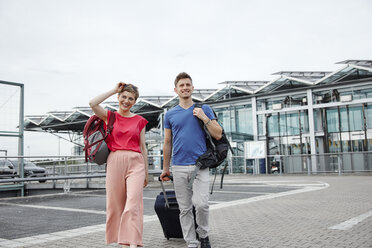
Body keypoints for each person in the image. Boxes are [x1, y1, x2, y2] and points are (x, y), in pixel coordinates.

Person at [160, 72, 222, 248]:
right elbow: (167, 142)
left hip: (200, 165)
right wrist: (166, 168)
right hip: (178, 166)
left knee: (202, 204)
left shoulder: (204, 109)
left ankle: (203, 234)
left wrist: (203, 117)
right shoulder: (170, 114)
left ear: (192, 88)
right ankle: (191, 242)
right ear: (176, 90)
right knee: (185, 208)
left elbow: (218, 134)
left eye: (188, 85)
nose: (185, 88)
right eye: (182, 85)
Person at [89, 82, 149, 248]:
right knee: (116, 205)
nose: (126, 101)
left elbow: (143, 147)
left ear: (135, 102)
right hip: (115, 161)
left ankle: (134, 242)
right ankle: (124, 242)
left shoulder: (140, 121)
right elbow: (92, 103)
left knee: (133, 204)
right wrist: (114, 90)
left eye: (131, 98)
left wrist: (147, 172)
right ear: (118, 97)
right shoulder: (110, 116)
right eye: (124, 96)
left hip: (136, 162)